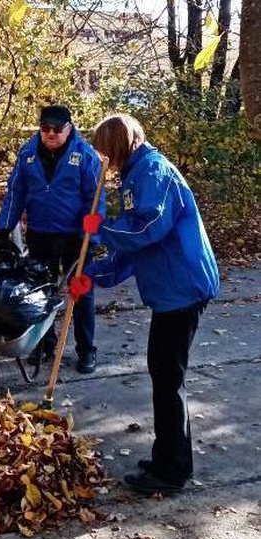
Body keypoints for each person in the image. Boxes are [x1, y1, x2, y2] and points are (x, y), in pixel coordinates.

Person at [85, 113, 219, 494]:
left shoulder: (154, 173)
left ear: (119, 146)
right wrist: (95, 275)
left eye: (106, 153)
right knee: (163, 373)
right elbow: (134, 247)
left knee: (167, 375)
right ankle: (167, 457)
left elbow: (147, 229)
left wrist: (103, 229)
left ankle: (172, 470)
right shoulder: (135, 176)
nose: (105, 163)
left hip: (184, 286)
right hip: (170, 289)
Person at [0, 105, 105, 374]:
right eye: (45, 128)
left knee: (81, 294)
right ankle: (44, 345)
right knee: (41, 292)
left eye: (57, 129)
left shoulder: (85, 156)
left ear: (69, 128)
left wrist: (91, 236)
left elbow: (96, 198)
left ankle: (86, 350)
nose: (51, 134)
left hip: (75, 237)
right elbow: (15, 192)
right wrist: (3, 229)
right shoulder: (27, 153)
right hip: (41, 233)